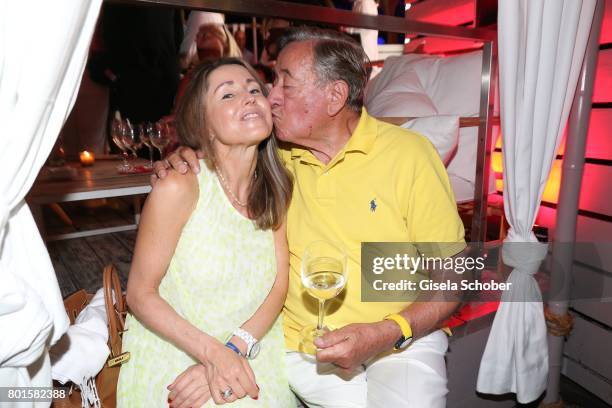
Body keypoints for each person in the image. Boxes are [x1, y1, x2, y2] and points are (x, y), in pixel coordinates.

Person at [156, 27, 466, 407]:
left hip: (401, 336)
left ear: (335, 96)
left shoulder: (408, 155)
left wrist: (389, 331)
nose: (271, 97)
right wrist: (183, 154)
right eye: (271, 82)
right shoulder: (274, 158)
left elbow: (455, 272)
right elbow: (218, 152)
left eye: (285, 83)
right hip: (305, 343)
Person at [117, 58, 295, 407]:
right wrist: (213, 354)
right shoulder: (181, 186)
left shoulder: (276, 186)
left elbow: (280, 284)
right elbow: (139, 293)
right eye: (227, 95)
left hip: (250, 343)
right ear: (205, 124)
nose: (248, 98)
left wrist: (234, 349)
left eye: (254, 89)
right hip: (175, 348)